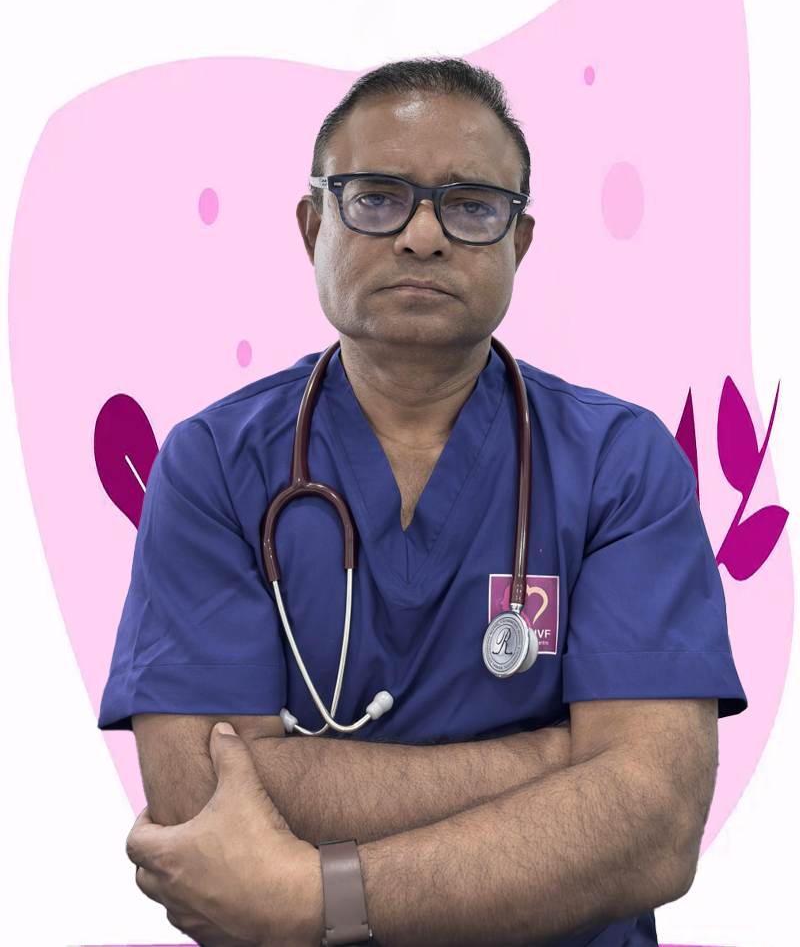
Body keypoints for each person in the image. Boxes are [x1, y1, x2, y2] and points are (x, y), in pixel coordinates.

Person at [101, 57, 746, 947]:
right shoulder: (213, 464)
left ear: (520, 243)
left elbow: (654, 828)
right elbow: (199, 800)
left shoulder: (621, 463)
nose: (423, 236)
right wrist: (567, 763)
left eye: (472, 206)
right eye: (376, 197)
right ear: (312, 225)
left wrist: (319, 896)